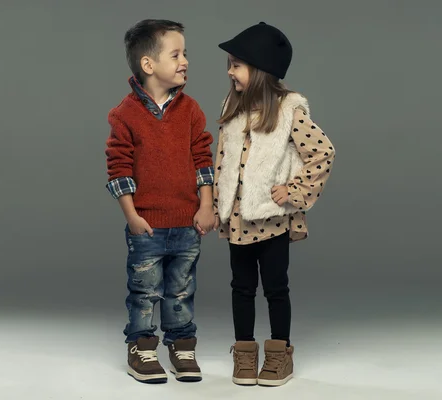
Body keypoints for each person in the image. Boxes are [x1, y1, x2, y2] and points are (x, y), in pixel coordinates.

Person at [212, 22, 336, 387]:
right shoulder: (231, 108)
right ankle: (245, 353)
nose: (229, 71)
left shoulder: (288, 111)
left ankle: (280, 354)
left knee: (276, 288)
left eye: (236, 64)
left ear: (260, 68)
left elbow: (322, 153)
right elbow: (222, 160)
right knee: (241, 287)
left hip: (271, 219)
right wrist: (215, 202)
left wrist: (294, 192)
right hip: (238, 218)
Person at [104, 19, 215, 384]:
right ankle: (141, 345)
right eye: (176, 54)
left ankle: (181, 343)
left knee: (181, 289)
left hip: (187, 224)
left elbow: (202, 158)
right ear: (148, 65)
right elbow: (118, 167)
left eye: (185, 54)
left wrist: (206, 204)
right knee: (145, 291)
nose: (185, 61)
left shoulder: (191, 110)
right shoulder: (125, 114)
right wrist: (132, 216)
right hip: (147, 225)